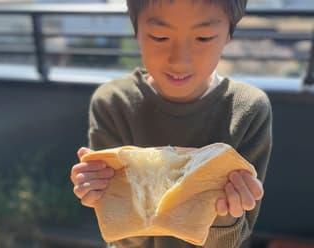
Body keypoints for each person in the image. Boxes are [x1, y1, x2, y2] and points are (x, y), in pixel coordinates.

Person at [70, 0, 272, 247]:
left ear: (229, 33)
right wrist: (102, 195)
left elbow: (232, 240)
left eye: (204, 38)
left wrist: (227, 211)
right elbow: (123, 241)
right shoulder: (113, 104)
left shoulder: (248, 109)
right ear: (137, 32)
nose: (179, 60)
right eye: (159, 37)